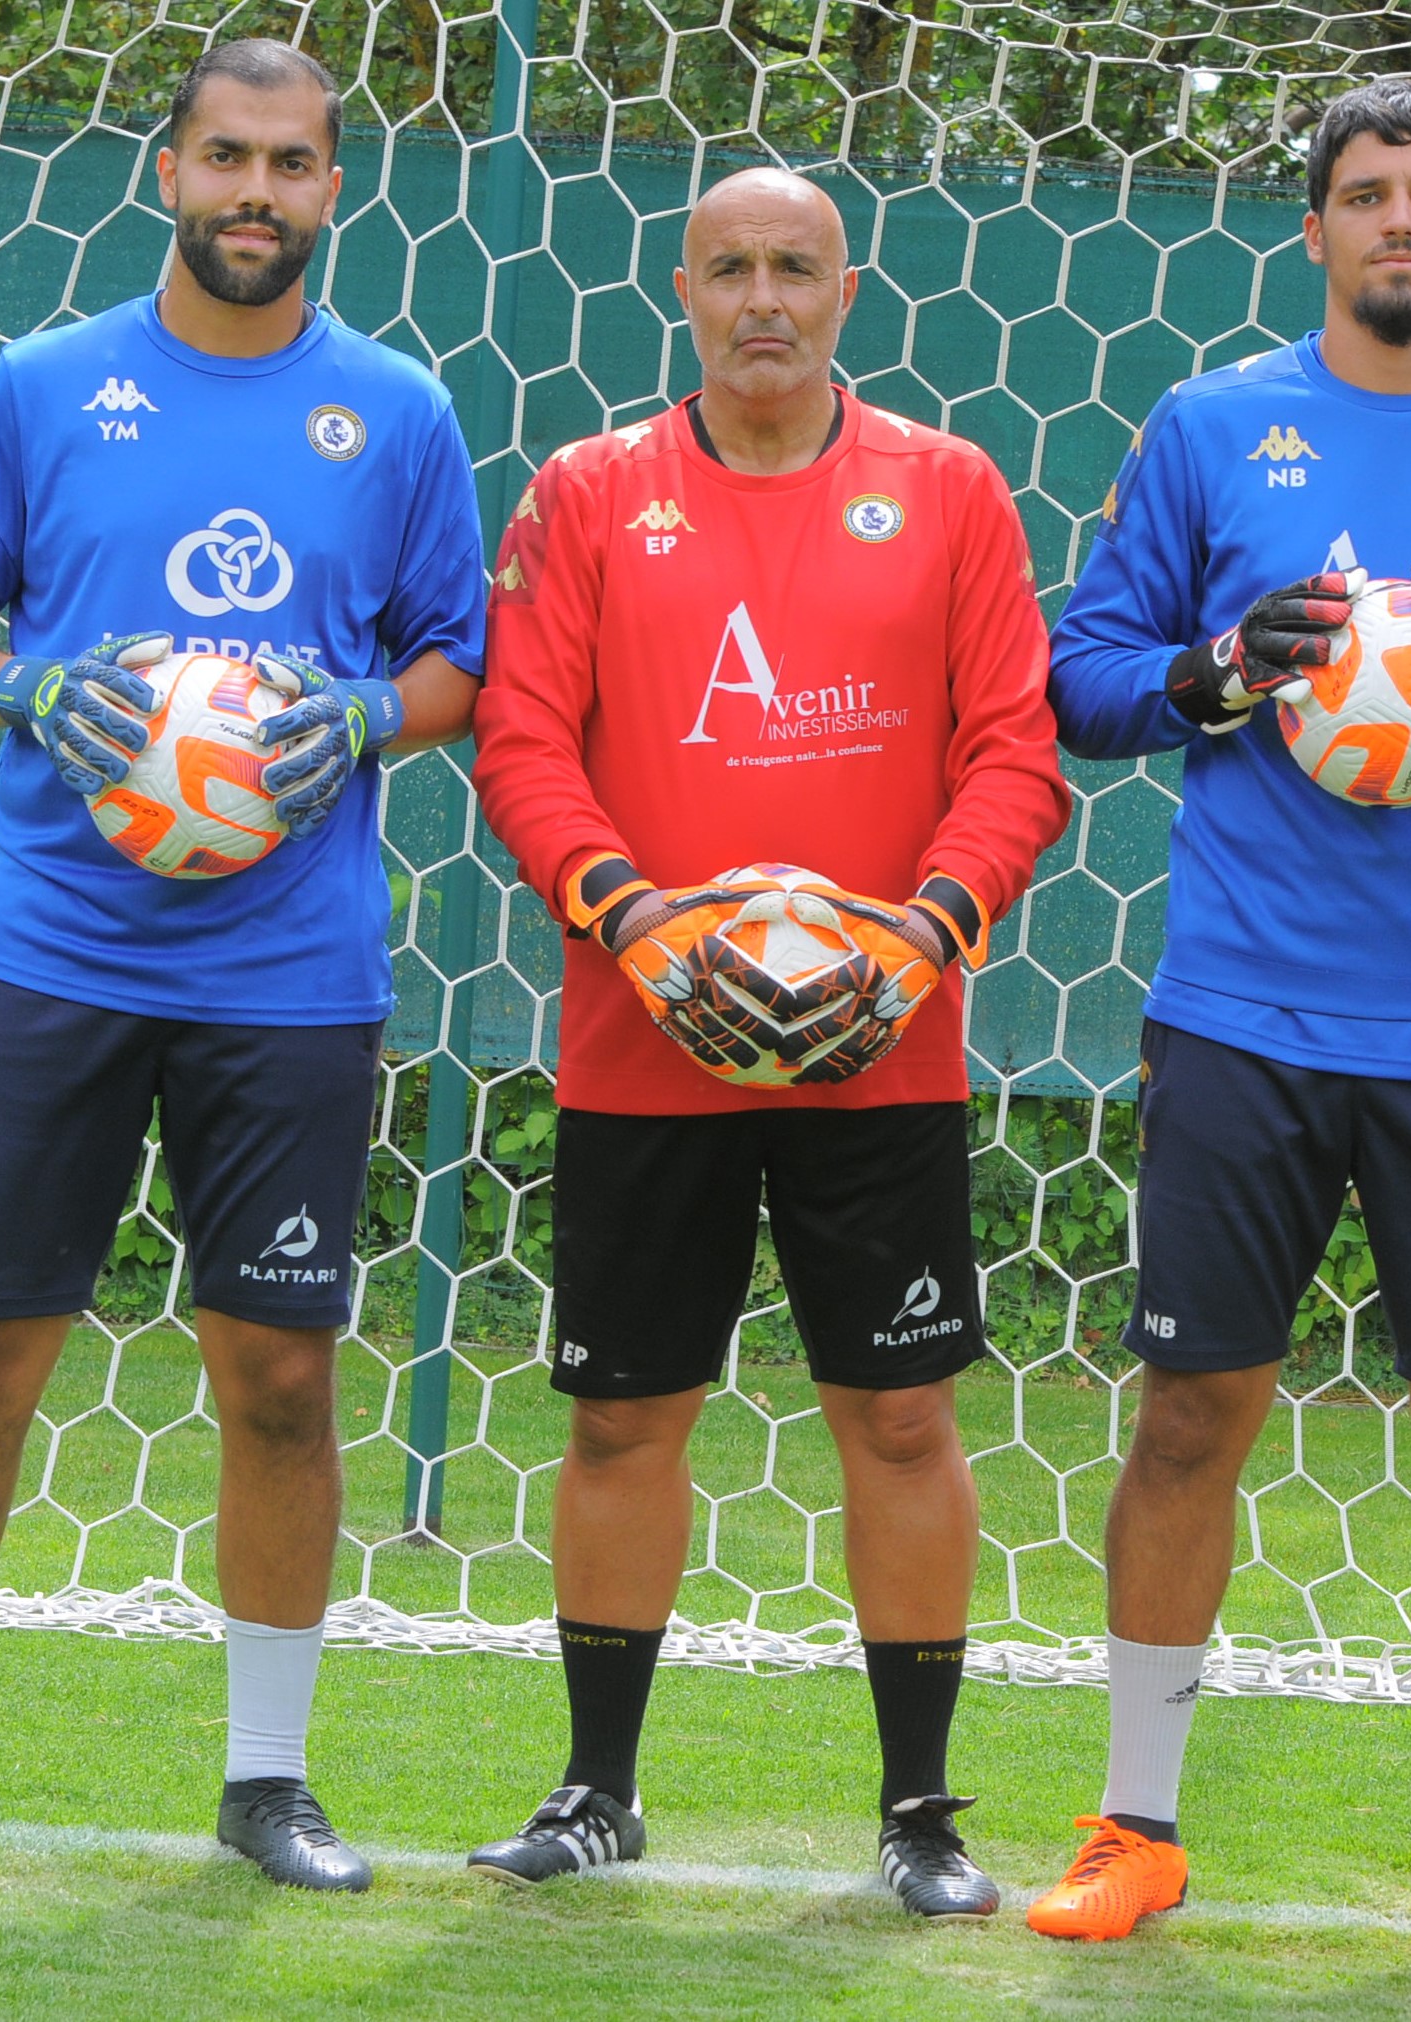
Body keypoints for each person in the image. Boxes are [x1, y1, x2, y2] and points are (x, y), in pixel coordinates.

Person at [0, 39, 487, 1891]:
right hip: (56, 949)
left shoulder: (399, 413)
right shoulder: (43, 387)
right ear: (164, 171)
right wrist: (32, 681)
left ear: (336, 191)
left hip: (290, 972)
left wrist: (350, 718)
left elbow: (457, 667)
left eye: (292, 165)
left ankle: (270, 1779)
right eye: (225, 158)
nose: (256, 192)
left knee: (278, 1377)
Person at [1033, 77, 1411, 1974]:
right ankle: (1133, 1826)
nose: (1399, 220)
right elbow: (1085, 677)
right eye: (1365, 194)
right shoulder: (1214, 427)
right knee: (1188, 1411)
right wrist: (1224, 669)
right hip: (1240, 1011)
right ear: (1311, 228)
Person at [465, 166, 1070, 1918]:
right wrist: (634, 918)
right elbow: (520, 736)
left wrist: (919, 934)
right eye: (728, 267)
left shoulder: (945, 489)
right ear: (680, 286)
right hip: (646, 1037)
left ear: (846, 290)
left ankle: (921, 1811)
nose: (761, 300)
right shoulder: (589, 492)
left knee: (897, 1421)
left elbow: (1013, 753)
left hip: (877, 1048)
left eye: (792, 267)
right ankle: (594, 1788)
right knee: (620, 1421)